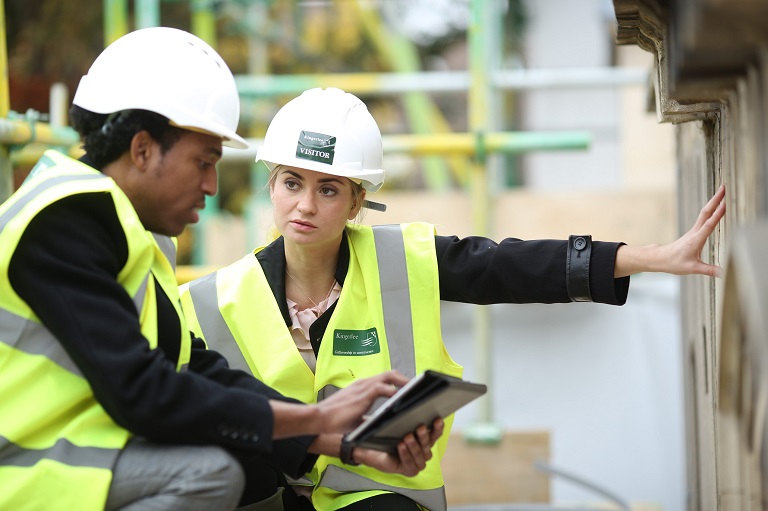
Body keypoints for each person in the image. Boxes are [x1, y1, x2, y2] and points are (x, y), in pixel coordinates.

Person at [178, 87, 726, 511]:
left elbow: (507, 266)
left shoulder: (403, 258)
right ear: (270, 186)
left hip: (376, 493)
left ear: (355, 202)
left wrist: (653, 257)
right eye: (292, 182)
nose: (305, 205)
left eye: (328, 189)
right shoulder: (207, 301)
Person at [0, 32, 444, 511]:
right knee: (209, 473)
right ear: (144, 149)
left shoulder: (124, 232)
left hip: (64, 454)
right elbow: (144, 392)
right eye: (203, 162)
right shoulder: (66, 221)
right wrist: (317, 416)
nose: (211, 186)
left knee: (234, 454)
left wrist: (339, 439)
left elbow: (195, 368)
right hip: (24, 470)